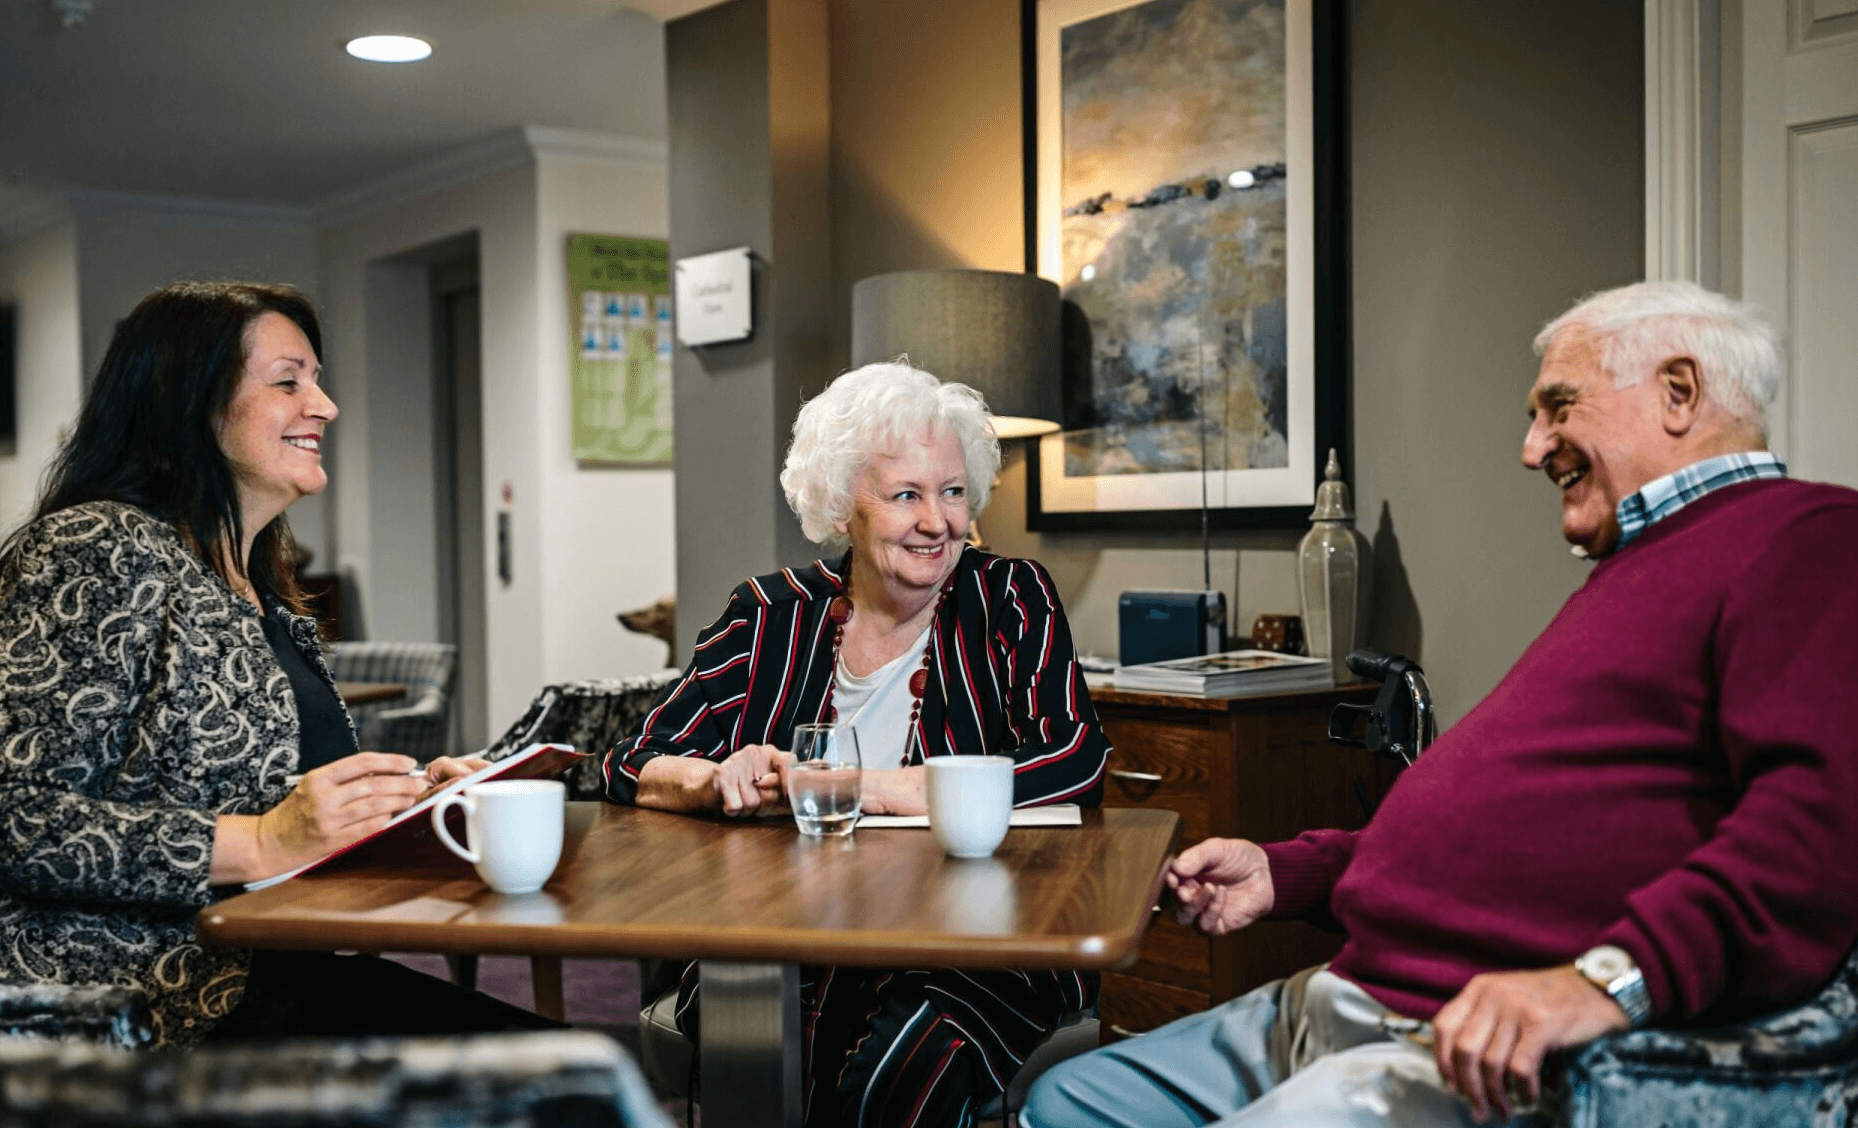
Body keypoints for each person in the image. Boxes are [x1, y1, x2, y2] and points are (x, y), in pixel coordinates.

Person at [1023, 280, 1858, 1128]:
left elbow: (1819, 834)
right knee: (1064, 1103)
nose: (1534, 449)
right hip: (1336, 999)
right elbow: (1516, 831)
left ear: (1679, 392)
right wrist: (1290, 872)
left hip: (1449, 1044)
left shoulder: (1812, 538)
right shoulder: (1636, 569)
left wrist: (1605, 983)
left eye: (1557, 407)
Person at [0, 281, 554, 1047]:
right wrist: (262, 842)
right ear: (185, 404)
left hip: (262, 970)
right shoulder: (95, 549)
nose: (324, 406)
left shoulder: (264, 592)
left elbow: (263, 797)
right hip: (139, 1007)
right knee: (572, 1081)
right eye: (288, 381)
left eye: (317, 381)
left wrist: (406, 806)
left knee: (579, 1066)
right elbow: (20, 820)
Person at [605, 360, 1110, 1127]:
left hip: (976, 937)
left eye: (952, 491)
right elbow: (636, 760)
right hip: (786, 930)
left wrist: (865, 787)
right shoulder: (769, 613)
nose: (938, 522)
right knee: (758, 1041)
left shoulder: (1009, 596)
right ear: (843, 506)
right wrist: (718, 779)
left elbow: (1072, 760)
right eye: (906, 494)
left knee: (896, 1073)